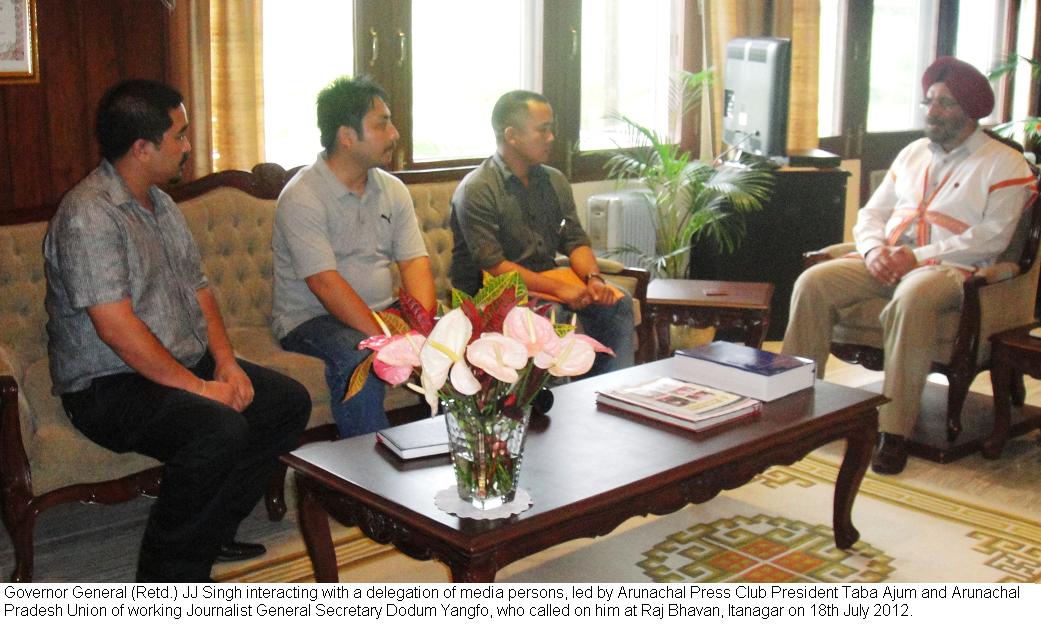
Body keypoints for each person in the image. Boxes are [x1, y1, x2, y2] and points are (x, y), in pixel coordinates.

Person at [44, 80, 311, 582]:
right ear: (142, 148)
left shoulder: (161, 204)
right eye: (180, 136)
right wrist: (200, 388)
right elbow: (116, 326)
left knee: (284, 402)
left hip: (177, 362)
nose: (188, 146)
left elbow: (200, 290)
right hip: (108, 386)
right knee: (217, 428)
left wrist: (226, 365)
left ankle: (209, 531)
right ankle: (168, 578)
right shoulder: (88, 214)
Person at [782, 57, 1035, 475]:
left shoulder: (1004, 163)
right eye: (930, 102)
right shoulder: (913, 153)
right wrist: (872, 251)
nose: (933, 112)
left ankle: (892, 433)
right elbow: (871, 214)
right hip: (888, 261)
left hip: (951, 270)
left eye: (945, 104)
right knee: (814, 282)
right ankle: (793, 411)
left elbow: (992, 237)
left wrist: (913, 258)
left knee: (912, 299)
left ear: (969, 112)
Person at [272, 76, 435, 437]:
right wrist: (388, 339)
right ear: (346, 136)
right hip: (312, 320)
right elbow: (325, 285)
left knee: (454, 337)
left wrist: (422, 327)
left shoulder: (391, 188)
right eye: (382, 124)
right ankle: (368, 480)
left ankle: (450, 452)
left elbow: (414, 262)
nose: (394, 134)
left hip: (381, 311)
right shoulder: (303, 196)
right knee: (362, 357)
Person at [450, 90, 635, 375]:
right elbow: (495, 267)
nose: (551, 138)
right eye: (543, 130)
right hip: (493, 294)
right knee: (549, 315)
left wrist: (593, 279)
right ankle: (554, 408)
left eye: (552, 130)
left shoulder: (554, 180)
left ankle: (608, 392)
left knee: (616, 302)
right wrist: (561, 289)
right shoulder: (478, 188)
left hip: (547, 284)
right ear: (512, 136)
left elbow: (575, 240)